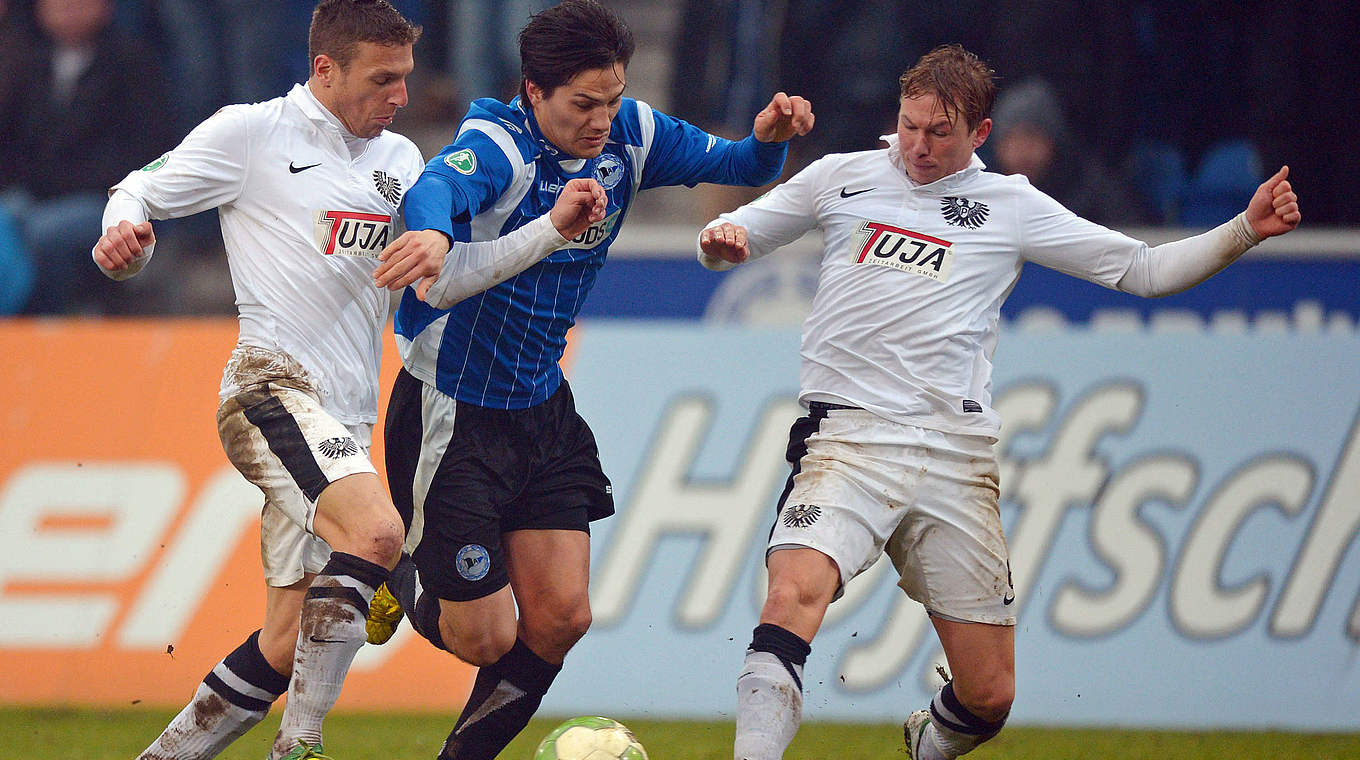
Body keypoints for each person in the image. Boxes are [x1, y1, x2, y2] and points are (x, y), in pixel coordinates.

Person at [695, 44, 1300, 760]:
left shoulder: (1010, 206)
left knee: (988, 697)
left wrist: (1245, 230)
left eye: (939, 133)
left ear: (979, 134)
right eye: (910, 126)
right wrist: (720, 240)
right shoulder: (841, 178)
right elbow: (729, 235)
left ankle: (927, 741)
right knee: (791, 596)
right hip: (849, 440)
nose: (918, 147)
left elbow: (1142, 269)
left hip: (956, 457)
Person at [91, 2, 604, 758]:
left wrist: (547, 232)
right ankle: (300, 742)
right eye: (383, 80)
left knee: (284, 638)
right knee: (378, 532)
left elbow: (449, 278)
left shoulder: (399, 164)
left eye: (406, 78)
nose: (401, 97)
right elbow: (139, 189)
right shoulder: (251, 133)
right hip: (270, 387)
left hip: (346, 417)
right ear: (325, 70)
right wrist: (124, 239)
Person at [362, 2, 811, 758]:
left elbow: (734, 166)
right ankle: (397, 569)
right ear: (534, 92)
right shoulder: (500, 144)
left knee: (563, 616)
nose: (602, 118)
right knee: (484, 636)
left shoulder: (631, 133)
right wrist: (435, 232)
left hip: (541, 407)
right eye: (583, 104)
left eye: (611, 98)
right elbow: (437, 185)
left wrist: (767, 141)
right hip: (453, 412)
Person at [0, 0, 173, 314]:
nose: (69, 11)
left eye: (79, 4)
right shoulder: (24, 60)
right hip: (30, 194)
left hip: (101, 196)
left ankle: (54, 317)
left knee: (46, 233)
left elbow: (146, 147)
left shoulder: (131, 61)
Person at [989, 77, 1149, 226]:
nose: (1022, 150)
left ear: (1053, 142)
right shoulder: (983, 192)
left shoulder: (1092, 189)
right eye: (1012, 139)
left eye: (1032, 136)